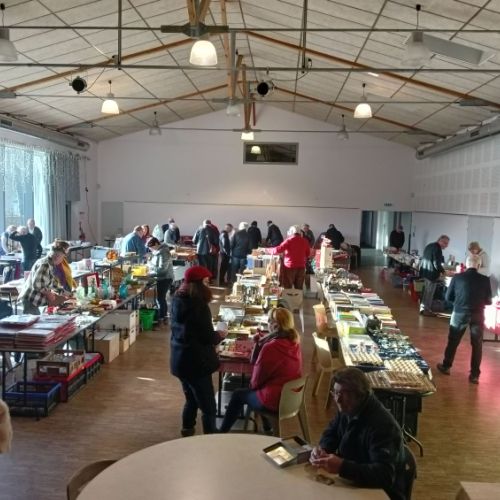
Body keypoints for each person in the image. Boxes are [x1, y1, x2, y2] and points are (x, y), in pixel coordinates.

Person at [310, 367, 406, 500]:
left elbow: (384, 476)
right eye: (335, 393)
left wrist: (342, 467)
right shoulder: (348, 408)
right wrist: (323, 450)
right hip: (354, 482)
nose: (337, 400)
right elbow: (331, 432)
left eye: (343, 394)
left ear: (360, 395)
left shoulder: (382, 425)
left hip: (380, 493)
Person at [219, 307, 302, 433]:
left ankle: (222, 432)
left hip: (275, 400)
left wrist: (260, 346)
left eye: (269, 321)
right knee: (261, 387)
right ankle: (267, 428)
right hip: (291, 397)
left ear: (275, 325)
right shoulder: (294, 342)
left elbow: (257, 378)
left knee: (239, 394)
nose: (267, 323)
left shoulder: (271, 346)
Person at [170, 266, 226, 435]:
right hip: (196, 362)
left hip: (180, 359)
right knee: (209, 406)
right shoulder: (198, 306)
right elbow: (207, 336)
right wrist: (220, 335)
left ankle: (187, 429)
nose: (208, 284)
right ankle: (210, 437)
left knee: (192, 399)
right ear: (199, 284)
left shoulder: (178, 299)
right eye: (206, 281)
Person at [436, 254, 492, 384]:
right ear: (479, 265)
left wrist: (459, 301)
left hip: (459, 312)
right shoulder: (485, 280)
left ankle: (446, 366)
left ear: (466, 265)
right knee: (477, 344)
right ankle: (474, 375)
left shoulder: (457, 277)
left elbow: (448, 297)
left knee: (453, 340)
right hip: (478, 314)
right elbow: (489, 301)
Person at [17, 245, 68, 314]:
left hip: (33, 300)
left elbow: (51, 283)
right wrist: (48, 293)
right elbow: (37, 284)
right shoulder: (45, 264)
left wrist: (64, 292)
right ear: (51, 253)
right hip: (30, 299)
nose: (57, 258)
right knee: (34, 320)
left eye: (60, 256)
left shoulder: (50, 264)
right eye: (56, 254)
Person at [263, 225, 311, 289]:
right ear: (300, 233)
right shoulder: (305, 241)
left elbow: (278, 249)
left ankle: (288, 295)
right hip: (301, 267)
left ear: (291, 232)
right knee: (299, 288)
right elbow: (308, 254)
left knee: (288, 287)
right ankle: (298, 295)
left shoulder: (289, 240)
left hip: (289, 267)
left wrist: (267, 250)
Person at [419, 235, 449, 316]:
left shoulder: (429, 245)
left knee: (426, 292)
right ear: (441, 241)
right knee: (429, 293)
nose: (446, 246)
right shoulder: (438, 249)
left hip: (425, 272)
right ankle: (426, 310)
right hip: (431, 274)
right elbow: (436, 264)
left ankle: (423, 308)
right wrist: (443, 272)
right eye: (446, 243)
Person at [146, 237, 174, 324]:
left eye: (151, 247)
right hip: (160, 278)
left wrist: (150, 272)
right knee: (160, 298)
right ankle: (163, 316)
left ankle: (162, 317)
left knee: (160, 298)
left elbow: (162, 270)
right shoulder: (157, 251)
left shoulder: (164, 253)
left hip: (165, 278)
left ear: (156, 244)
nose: (151, 249)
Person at [302, 224, 315, 291]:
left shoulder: (310, 232)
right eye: (304, 228)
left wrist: (309, 247)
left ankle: (312, 288)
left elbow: (313, 240)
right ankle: (306, 287)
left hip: (308, 250)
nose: (306, 229)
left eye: (307, 228)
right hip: (302, 251)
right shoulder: (301, 233)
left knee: (310, 270)